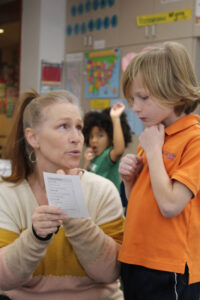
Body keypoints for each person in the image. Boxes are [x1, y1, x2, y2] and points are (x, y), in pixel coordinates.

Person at [0, 89, 125, 300]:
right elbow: (4, 279)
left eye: (78, 127)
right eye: (63, 127)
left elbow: (111, 272)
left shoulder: (102, 190)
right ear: (33, 137)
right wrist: (35, 237)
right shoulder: (8, 194)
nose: (77, 138)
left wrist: (76, 221)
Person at [118, 41, 200, 300]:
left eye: (144, 97)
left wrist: (153, 152)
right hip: (135, 258)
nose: (136, 107)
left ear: (176, 93)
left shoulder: (193, 139)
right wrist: (129, 180)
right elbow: (138, 203)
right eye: (132, 99)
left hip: (169, 267)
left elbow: (170, 205)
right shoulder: (155, 133)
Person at [82, 103, 132, 193]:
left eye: (100, 136)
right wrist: (86, 164)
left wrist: (115, 119)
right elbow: (83, 182)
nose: (94, 140)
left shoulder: (107, 156)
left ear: (111, 137)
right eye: (91, 136)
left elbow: (119, 150)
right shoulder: (93, 158)